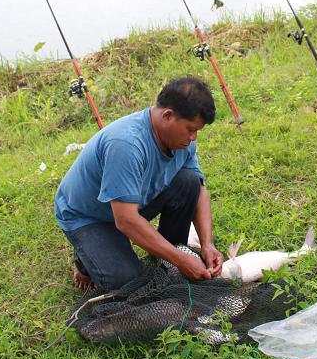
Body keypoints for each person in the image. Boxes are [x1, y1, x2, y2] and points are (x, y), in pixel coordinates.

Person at [54, 77, 224, 291]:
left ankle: (166, 253)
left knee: (188, 182)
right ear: (168, 116)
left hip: (132, 202)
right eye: (190, 129)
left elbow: (199, 189)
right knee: (129, 281)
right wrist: (182, 260)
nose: (193, 137)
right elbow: (125, 220)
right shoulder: (126, 144)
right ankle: (85, 257)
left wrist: (207, 244)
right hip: (89, 216)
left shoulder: (182, 141)